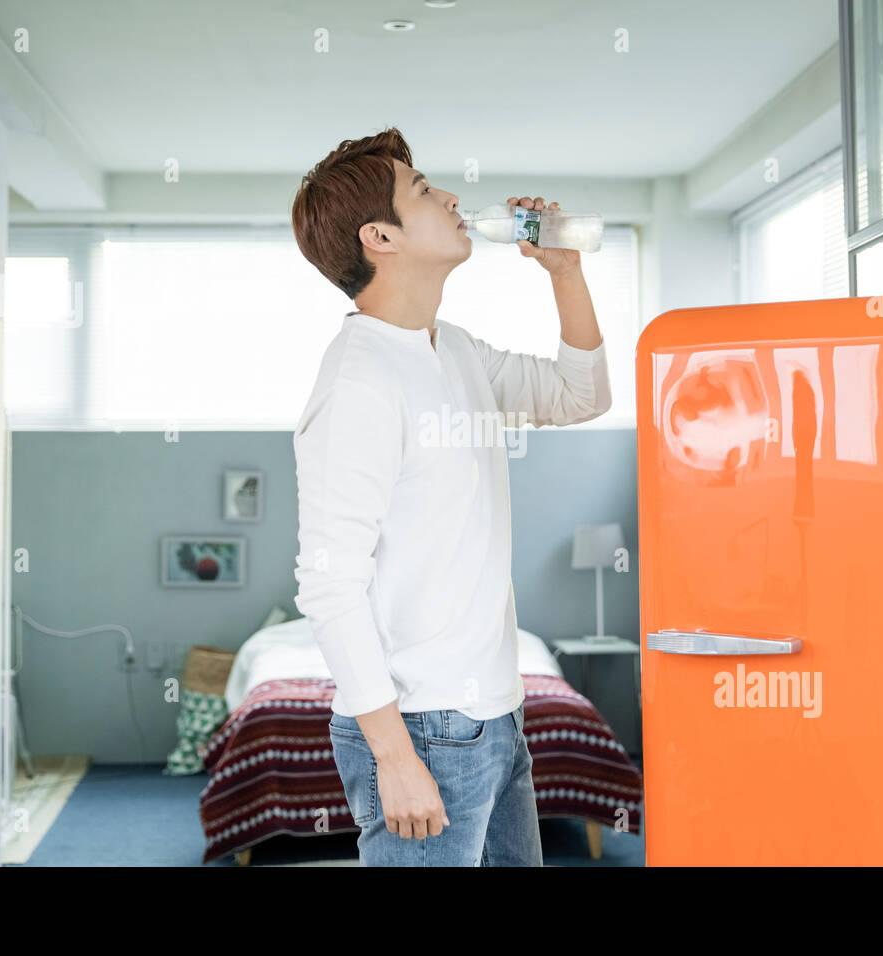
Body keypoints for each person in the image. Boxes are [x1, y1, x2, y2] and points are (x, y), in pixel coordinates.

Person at [290, 127, 611, 866]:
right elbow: (328, 587)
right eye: (425, 190)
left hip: (495, 717)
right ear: (381, 236)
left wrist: (564, 274)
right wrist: (396, 760)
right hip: (422, 730)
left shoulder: (454, 348)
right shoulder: (357, 382)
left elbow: (582, 395)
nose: (453, 196)